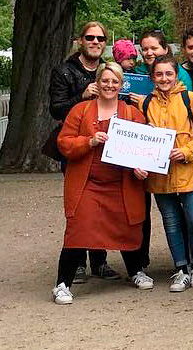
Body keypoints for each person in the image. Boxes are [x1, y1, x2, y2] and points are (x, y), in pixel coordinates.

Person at [51, 62, 152, 304]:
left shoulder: (131, 112)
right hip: (88, 184)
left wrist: (142, 167)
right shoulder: (81, 110)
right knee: (79, 229)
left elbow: (145, 147)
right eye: (105, 80)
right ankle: (62, 284)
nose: (109, 85)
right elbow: (64, 143)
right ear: (97, 82)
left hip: (120, 183)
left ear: (121, 85)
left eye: (114, 81)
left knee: (128, 226)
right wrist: (89, 141)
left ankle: (135, 271)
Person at [47, 21, 120, 284]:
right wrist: (81, 95)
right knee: (79, 204)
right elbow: (56, 109)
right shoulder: (65, 71)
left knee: (102, 204)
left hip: (107, 148)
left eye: (100, 38)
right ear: (80, 40)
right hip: (78, 147)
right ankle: (77, 261)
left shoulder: (107, 70)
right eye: (90, 37)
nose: (95, 42)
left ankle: (99, 261)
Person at [137, 55, 193, 293]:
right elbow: (138, 138)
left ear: (176, 75)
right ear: (152, 77)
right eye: (158, 74)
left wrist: (187, 151)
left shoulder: (192, 99)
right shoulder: (146, 103)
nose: (164, 78)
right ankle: (181, 269)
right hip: (159, 174)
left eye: (169, 73)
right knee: (171, 222)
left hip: (187, 168)